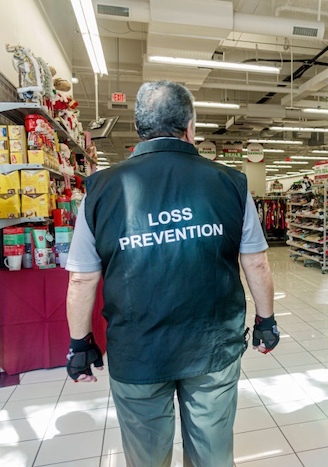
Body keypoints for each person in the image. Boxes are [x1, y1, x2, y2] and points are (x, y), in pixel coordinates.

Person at [64, 80, 279, 467]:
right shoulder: (231, 183)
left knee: (147, 459)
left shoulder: (99, 190)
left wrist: (80, 345)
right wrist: (266, 321)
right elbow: (256, 262)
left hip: (137, 351)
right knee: (213, 455)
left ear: (138, 128)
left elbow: (82, 277)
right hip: (212, 348)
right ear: (190, 126)